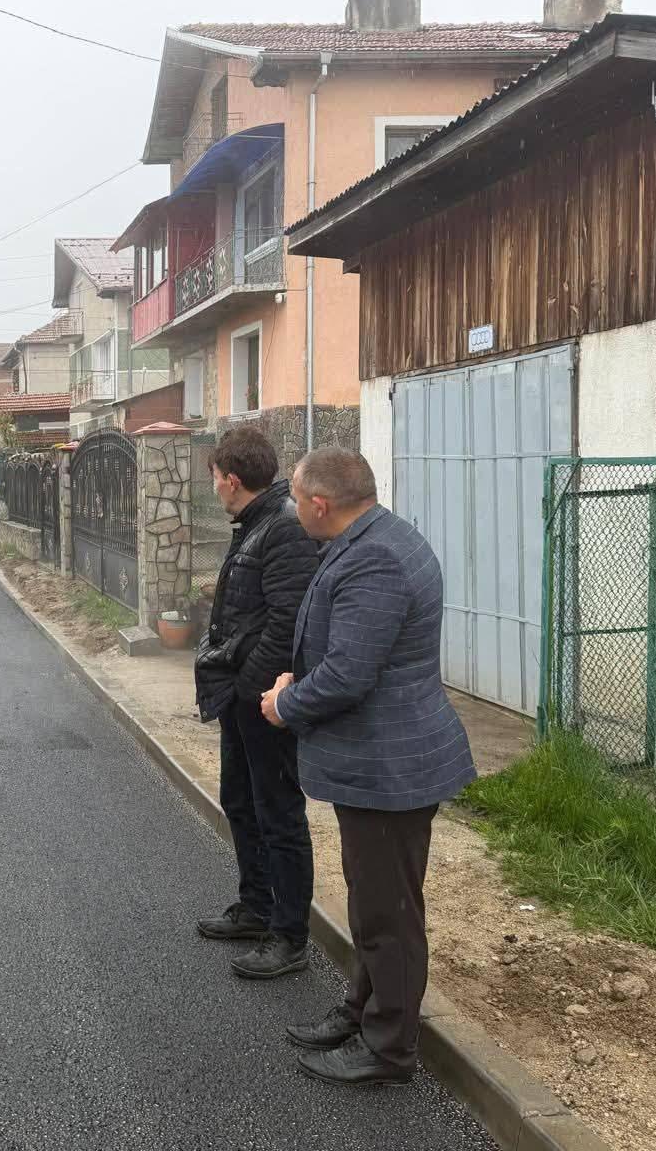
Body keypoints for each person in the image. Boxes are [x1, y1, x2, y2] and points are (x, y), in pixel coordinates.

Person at [260, 447, 475, 1088]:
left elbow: (350, 675)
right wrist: (299, 677)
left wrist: (285, 704)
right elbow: (351, 648)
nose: (292, 509)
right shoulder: (370, 537)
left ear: (319, 504)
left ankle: (389, 1049)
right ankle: (362, 1010)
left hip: (389, 769)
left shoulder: (375, 558)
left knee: (390, 914)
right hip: (381, 763)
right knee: (372, 900)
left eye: (296, 499)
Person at [193, 426, 319, 980]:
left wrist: (250, 688)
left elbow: (287, 624)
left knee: (278, 813)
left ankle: (289, 936)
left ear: (231, 480)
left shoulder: (283, 528)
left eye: (215, 478)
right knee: (241, 801)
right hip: (241, 697)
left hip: (265, 700)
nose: (214, 488)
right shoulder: (256, 522)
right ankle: (256, 906)